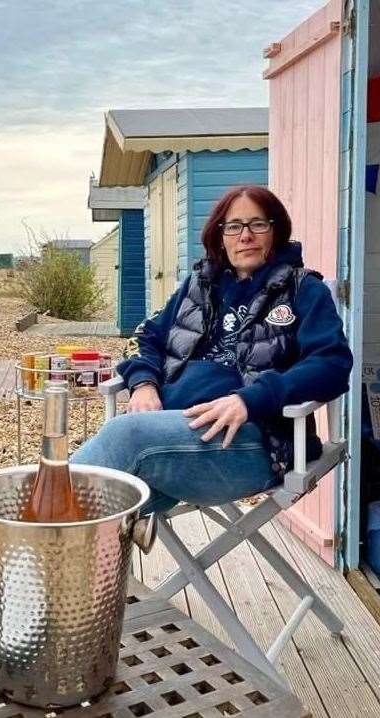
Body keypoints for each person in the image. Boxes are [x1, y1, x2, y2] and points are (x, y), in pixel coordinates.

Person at [71, 185, 353, 515]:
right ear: (220, 236)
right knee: (105, 506)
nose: (245, 236)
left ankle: (29, 532)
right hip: (169, 436)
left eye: (258, 224)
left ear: (275, 231)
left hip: (256, 439)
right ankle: (51, 549)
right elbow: (147, 336)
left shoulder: (303, 289)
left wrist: (252, 399)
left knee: (124, 439)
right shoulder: (199, 286)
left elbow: (333, 363)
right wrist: (144, 382)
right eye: (234, 227)